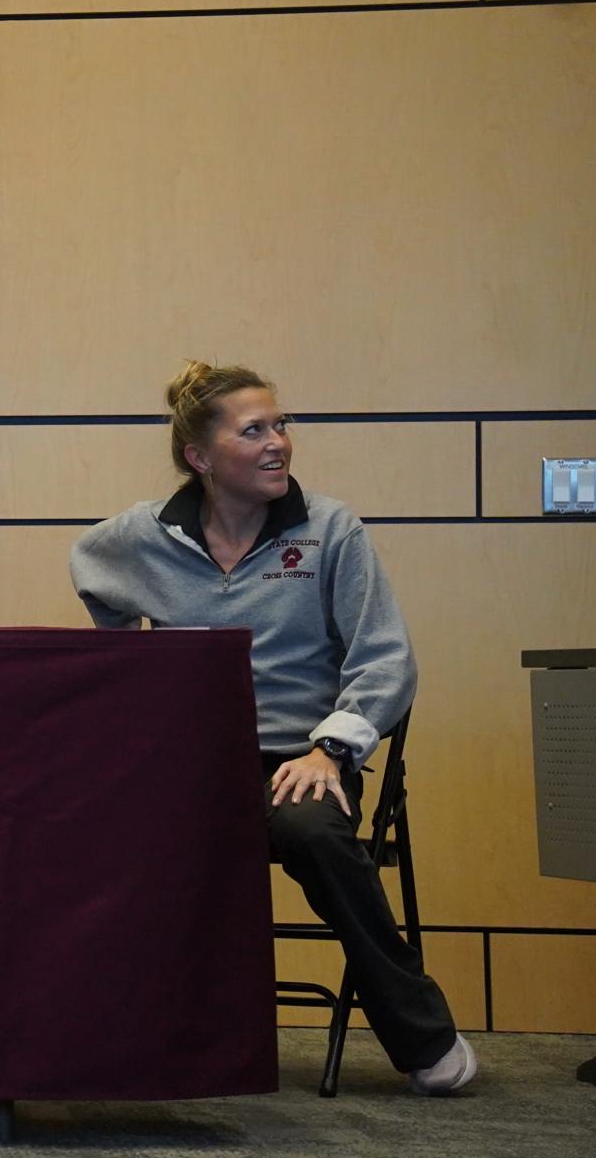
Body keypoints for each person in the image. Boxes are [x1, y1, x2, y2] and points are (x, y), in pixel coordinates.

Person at [69, 360, 474, 1095]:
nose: (277, 442)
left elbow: (384, 656)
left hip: (299, 757)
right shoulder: (143, 535)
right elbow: (93, 573)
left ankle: (421, 1035)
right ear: (200, 457)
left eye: (280, 424)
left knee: (314, 836)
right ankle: (108, 1035)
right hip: (187, 763)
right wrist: (130, 667)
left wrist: (331, 749)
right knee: (88, 830)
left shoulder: (329, 530)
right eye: (253, 430)